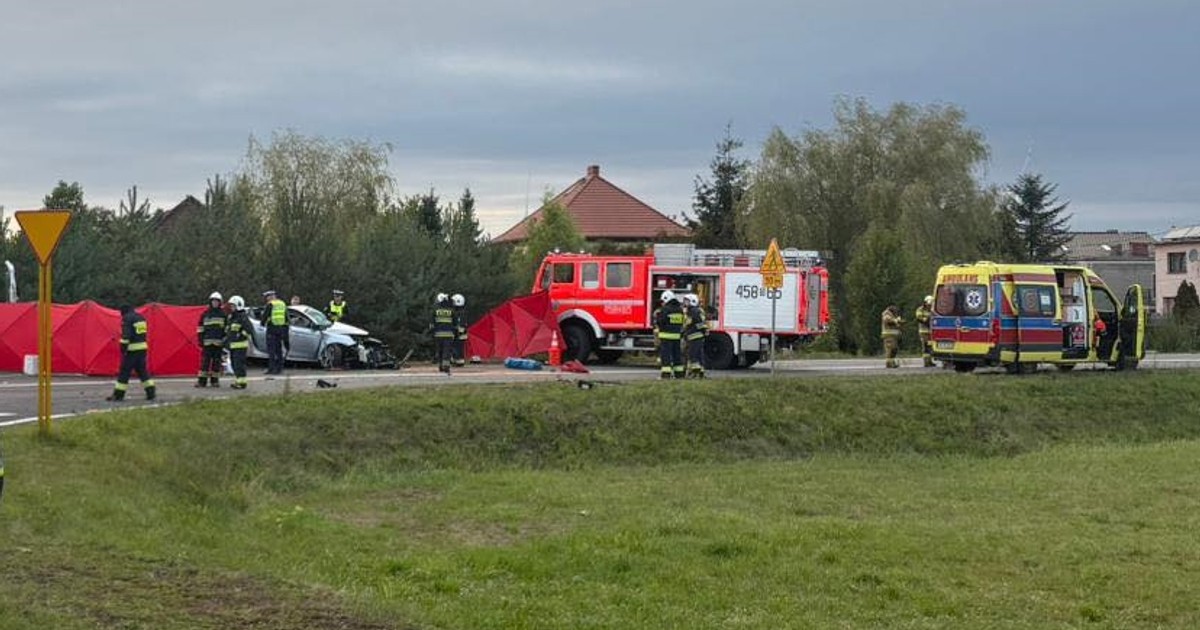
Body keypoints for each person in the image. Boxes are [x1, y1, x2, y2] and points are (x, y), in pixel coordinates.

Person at [107, 305, 156, 401]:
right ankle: (151, 392)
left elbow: (126, 336)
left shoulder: (127, 319)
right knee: (142, 371)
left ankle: (118, 395)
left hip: (132, 350)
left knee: (124, 372)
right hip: (142, 349)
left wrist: (123, 348)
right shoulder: (141, 317)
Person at [196, 291, 227, 387]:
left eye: (217, 301)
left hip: (219, 343)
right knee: (205, 362)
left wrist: (225, 340)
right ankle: (202, 381)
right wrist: (200, 340)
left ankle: (215, 381)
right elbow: (200, 328)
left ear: (220, 302)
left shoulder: (223, 314)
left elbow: (226, 329)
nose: (215, 303)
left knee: (216, 363)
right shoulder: (205, 314)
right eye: (213, 301)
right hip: (207, 343)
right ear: (210, 302)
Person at [656, 290, 686, 379]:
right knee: (677, 355)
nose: (662, 303)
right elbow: (682, 322)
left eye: (663, 301)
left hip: (665, 336)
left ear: (666, 299)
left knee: (666, 356)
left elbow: (660, 321)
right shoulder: (679, 309)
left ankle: (666, 375)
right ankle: (679, 374)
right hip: (676, 336)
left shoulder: (665, 309)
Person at [226, 295, 251, 389]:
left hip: (240, 345)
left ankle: (242, 383)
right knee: (234, 364)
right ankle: (238, 381)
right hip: (233, 346)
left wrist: (240, 335)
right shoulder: (232, 317)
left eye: (233, 306)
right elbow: (230, 331)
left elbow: (249, 330)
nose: (231, 308)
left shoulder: (242, 316)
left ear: (238, 305)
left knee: (239, 364)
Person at [263, 289, 289, 375]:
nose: (266, 299)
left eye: (267, 297)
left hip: (271, 329)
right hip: (281, 329)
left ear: (271, 296)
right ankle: (280, 368)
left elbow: (265, 316)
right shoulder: (282, 304)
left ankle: (271, 369)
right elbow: (286, 317)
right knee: (279, 350)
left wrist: (262, 323)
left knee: (271, 350)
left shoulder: (270, 304)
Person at [431, 293, 457, 374]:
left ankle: (440, 366)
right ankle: (446, 366)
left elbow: (432, 325)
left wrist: (433, 332)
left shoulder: (436, 311)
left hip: (438, 335)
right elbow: (455, 324)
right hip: (448, 335)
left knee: (440, 351)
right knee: (447, 351)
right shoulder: (451, 312)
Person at [683, 294, 708, 378]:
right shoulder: (695, 310)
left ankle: (695, 372)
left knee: (693, 355)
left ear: (693, 301)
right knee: (698, 355)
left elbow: (699, 323)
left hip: (694, 336)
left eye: (687, 301)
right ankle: (700, 372)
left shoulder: (693, 311)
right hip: (695, 336)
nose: (685, 303)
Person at [881, 304, 903, 369]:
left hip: (894, 336)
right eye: (895, 310)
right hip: (888, 335)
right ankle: (889, 364)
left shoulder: (893, 315)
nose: (896, 311)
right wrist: (896, 321)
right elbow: (888, 321)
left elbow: (895, 324)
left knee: (894, 349)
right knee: (890, 350)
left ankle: (892, 363)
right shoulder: (886, 314)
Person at [915, 295, 934, 368]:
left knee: (930, 346)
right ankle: (926, 362)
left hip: (931, 331)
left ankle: (930, 361)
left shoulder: (932, 309)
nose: (929, 306)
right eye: (929, 304)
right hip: (923, 331)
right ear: (925, 303)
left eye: (931, 304)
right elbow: (919, 319)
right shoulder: (920, 309)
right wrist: (926, 320)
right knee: (925, 346)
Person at [451, 293, 468, 367]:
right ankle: (458, 360)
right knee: (459, 347)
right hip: (461, 334)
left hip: (459, 333)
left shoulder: (459, 313)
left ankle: (458, 360)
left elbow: (460, 324)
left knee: (457, 346)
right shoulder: (462, 312)